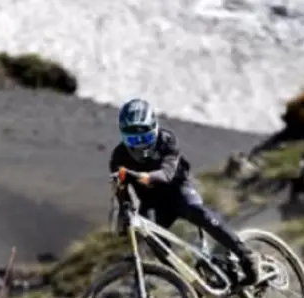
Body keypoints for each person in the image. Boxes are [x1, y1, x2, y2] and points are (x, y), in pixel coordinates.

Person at [108, 98, 260, 287]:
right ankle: (189, 285)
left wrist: (139, 176)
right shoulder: (118, 157)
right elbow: (121, 190)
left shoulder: (167, 140)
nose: (139, 144)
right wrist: (124, 210)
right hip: (151, 202)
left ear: (154, 128)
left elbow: (166, 174)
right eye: (132, 139)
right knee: (152, 239)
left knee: (197, 211)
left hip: (178, 190)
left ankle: (246, 256)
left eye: (145, 138)